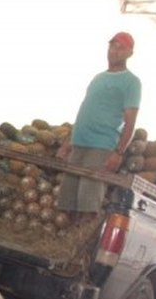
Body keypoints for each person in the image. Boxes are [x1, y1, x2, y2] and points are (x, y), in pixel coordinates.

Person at [56, 32, 141, 220]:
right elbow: (84, 112)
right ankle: (63, 245)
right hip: (79, 144)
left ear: (130, 53)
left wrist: (118, 152)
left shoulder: (131, 82)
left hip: (101, 147)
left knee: (88, 202)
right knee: (66, 201)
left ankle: (80, 245)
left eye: (121, 48)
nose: (115, 51)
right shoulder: (98, 78)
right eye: (112, 46)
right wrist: (67, 143)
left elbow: (130, 121)